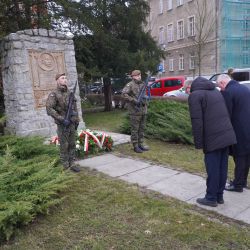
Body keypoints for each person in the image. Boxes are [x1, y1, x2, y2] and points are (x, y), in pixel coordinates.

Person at [188, 77, 236, 207]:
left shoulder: (195, 95)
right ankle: (219, 196)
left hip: (213, 138)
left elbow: (196, 121)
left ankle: (211, 198)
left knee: (213, 169)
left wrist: (199, 144)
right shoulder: (215, 91)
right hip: (226, 135)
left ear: (190, 87)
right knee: (222, 167)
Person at [217, 74, 250, 192]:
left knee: (240, 157)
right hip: (247, 128)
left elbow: (226, 114)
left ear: (222, 83)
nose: (220, 89)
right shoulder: (244, 88)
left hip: (238, 130)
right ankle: (242, 181)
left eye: (219, 86)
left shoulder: (228, 92)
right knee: (246, 156)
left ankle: (238, 185)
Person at [46, 73, 80, 172]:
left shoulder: (70, 93)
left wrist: (77, 119)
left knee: (72, 144)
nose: (65, 80)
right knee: (64, 145)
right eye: (62, 78)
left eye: (65, 78)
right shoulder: (54, 94)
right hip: (63, 125)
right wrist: (61, 119)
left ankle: (72, 163)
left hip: (72, 123)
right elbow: (49, 108)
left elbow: (75, 108)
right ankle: (65, 165)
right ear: (57, 80)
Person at [122, 70, 149, 153]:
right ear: (133, 76)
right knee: (135, 129)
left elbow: (144, 94)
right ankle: (135, 146)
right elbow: (124, 94)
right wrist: (133, 100)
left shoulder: (142, 84)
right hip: (134, 111)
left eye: (140, 75)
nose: (139, 76)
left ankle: (141, 144)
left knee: (142, 128)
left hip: (143, 110)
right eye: (137, 75)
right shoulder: (130, 85)